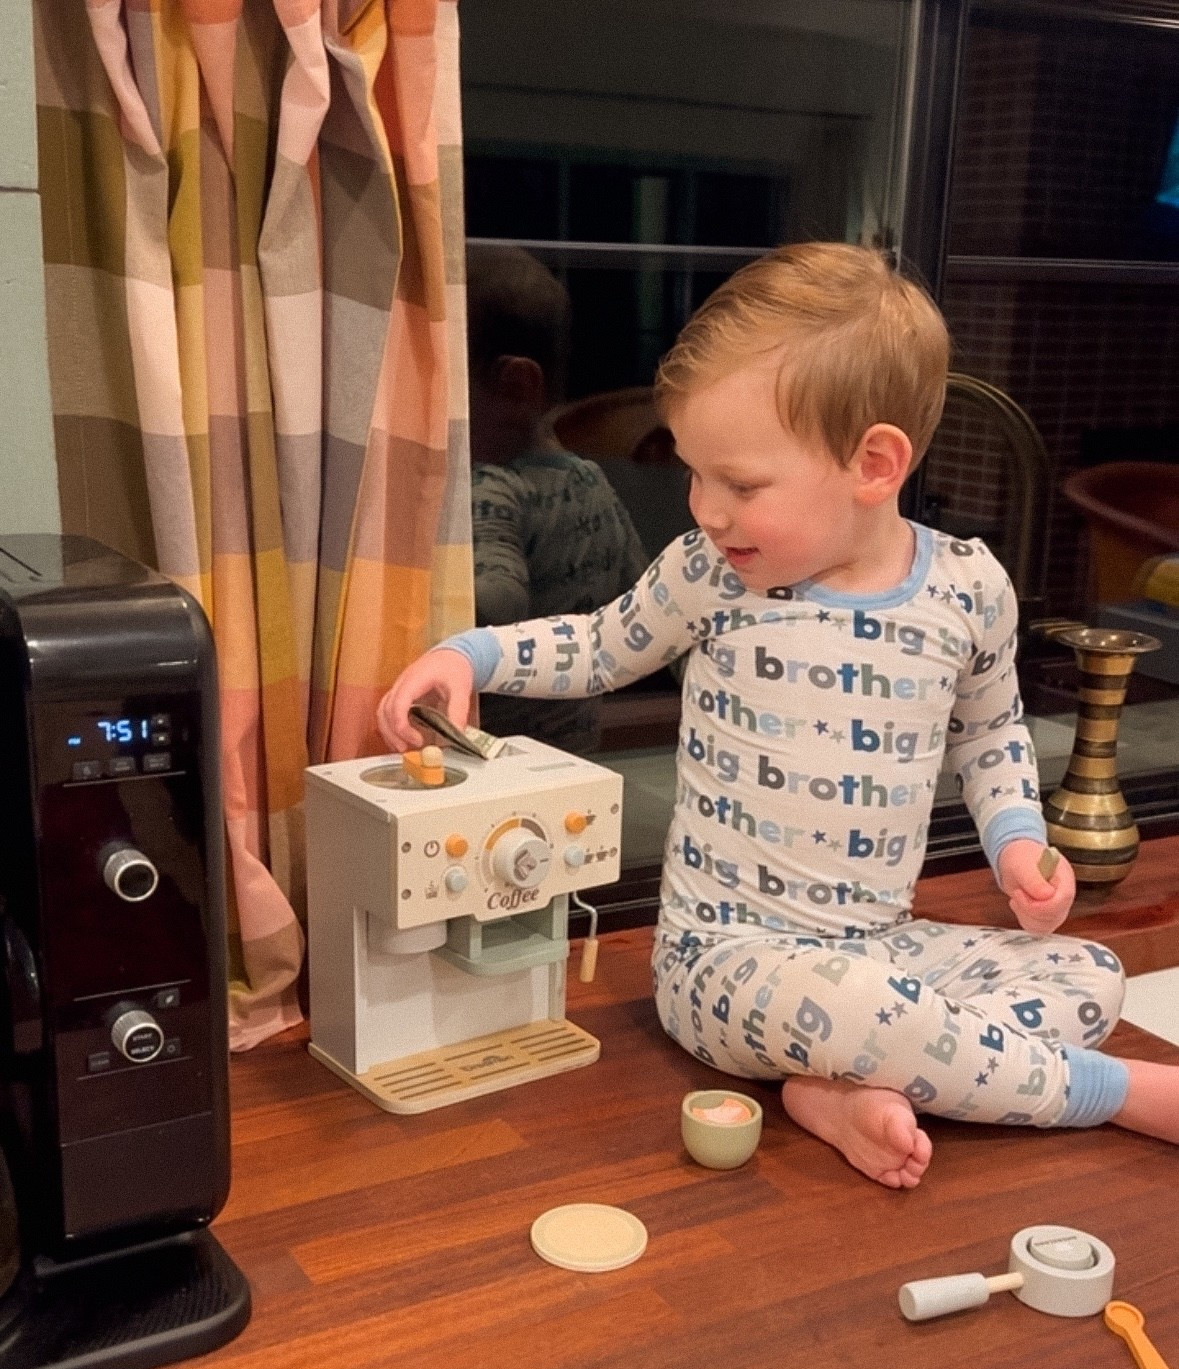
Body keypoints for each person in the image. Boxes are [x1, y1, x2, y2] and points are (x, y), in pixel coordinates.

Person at [378, 241, 1179, 1188]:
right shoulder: (711, 575)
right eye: (694, 476)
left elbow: (990, 729)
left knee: (1087, 978)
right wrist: (464, 652)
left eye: (741, 483)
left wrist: (1012, 839)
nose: (706, 510)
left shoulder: (966, 586)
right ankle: (1106, 1090)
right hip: (722, 960)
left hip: (875, 945)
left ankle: (832, 1087)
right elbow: (598, 646)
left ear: (873, 464)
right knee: (877, 1010)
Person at [466, 244, 648, 753]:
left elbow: (500, 601)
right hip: (575, 752)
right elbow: (641, 600)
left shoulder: (491, 486)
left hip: (493, 754)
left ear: (517, 385)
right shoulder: (594, 481)